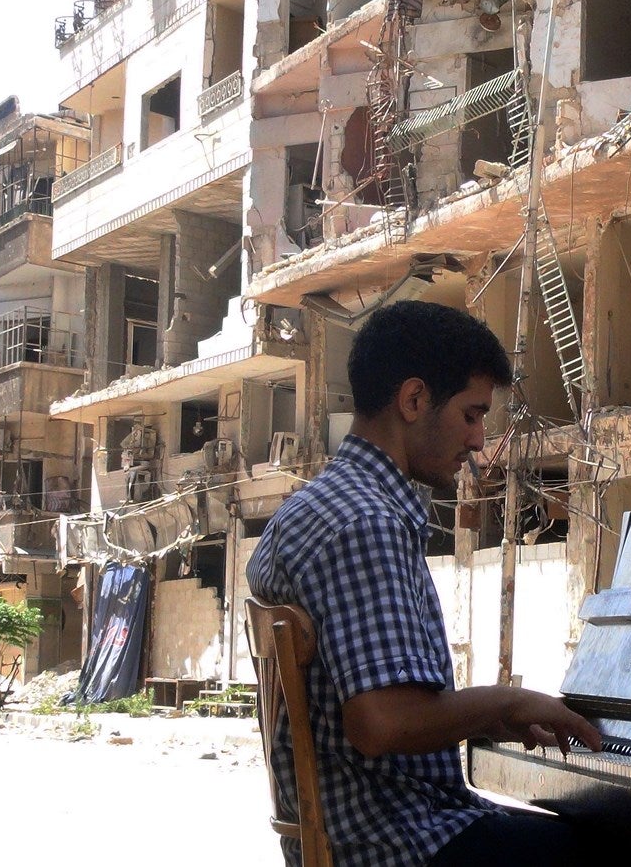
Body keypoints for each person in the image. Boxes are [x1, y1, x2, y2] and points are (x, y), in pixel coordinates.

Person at [247, 301, 605, 866]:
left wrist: (495, 716)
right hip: (399, 845)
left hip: (366, 833)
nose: (480, 441)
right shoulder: (366, 523)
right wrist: (509, 700)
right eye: (472, 414)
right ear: (414, 400)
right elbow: (382, 724)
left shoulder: (312, 509)